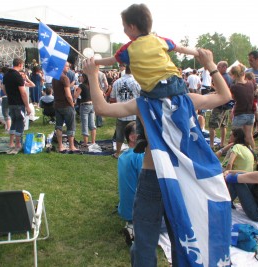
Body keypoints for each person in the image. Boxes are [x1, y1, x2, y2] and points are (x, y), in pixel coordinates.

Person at [83, 47, 232, 267]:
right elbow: (225, 96)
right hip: (183, 176)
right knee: (183, 235)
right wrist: (209, 64)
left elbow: (102, 108)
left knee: (145, 241)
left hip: (154, 176)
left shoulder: (144, 105)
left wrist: (92, 76)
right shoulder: (187, 100)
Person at [94, 4, 198, 153]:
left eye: (124, 27)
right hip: (176, 82)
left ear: (132, 27)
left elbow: (111, 60)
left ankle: (141, 136)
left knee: (141, 105)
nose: (123, 30)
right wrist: (198, 53)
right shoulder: (160, 40)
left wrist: (95, 62)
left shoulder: (129, 48)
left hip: (154, 88)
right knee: (183, 103)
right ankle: (187, 126)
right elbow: (180, 48)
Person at [117, 121, 144, 246]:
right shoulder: (139, 156)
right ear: (132, 137)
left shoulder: (123, 156)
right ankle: (133, 228)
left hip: (124, 208)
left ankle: (131, 226)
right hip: (137, 209)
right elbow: (146, 183)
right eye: (142, 133)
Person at [224, 150, 258, 222]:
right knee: (243, 178)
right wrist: (229, 171)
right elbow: (248, 174)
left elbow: (231, 178)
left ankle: (224, 204)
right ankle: (226, 202)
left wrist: (225, 175)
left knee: (236, 181)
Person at [110, 65, 141, 158]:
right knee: (135, 133)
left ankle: (118, 153)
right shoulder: (137, 82)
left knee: (119, 134)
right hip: (133, 112)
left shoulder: (117, 82)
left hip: (121, 112)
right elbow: (141, 97)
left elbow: (112, 97)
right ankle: (136, 152)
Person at [2, 58, 31, 154]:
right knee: (20, 123)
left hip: (11, 102)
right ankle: (18, 143)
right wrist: (27, 106)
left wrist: (9, 96)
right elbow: (23, 92)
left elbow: (4, 88)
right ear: (19, 64)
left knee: (14, 122)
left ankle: (11, 142)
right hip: (19, 103)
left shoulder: (6, 75)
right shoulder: (17, 76)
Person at [52, 62, 77, 152]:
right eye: (67, 66)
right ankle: (71, 146)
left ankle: (60, 146)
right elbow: (68, 95)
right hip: (66, 105)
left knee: (58, 126)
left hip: (57, 105)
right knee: (71, 126)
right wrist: (72, 104)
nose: (68, 68)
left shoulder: (54, 77)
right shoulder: (65, 78)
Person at [229, 64, 255, 149]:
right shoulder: (251, 84)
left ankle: (229, 153)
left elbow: (231, 98)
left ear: (234, 75)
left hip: (240, 113)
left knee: (234, 136)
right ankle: (253, 154)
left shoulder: (234, 87)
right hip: (251, 113)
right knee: (249, 136)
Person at [209, 61, 233, 150]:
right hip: (228, 104)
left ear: (224, 67)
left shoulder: (222, 78)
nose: (217, 68)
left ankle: (211, 145)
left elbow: (220, 91)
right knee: (223, 125)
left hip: (220, 105)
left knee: (212, 125)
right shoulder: (229, 77)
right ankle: (222, 144)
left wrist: (213, 92)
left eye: (219, 67)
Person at [73, 73, 98, 147]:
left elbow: (76, 96)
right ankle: (93, 142)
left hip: (84, 105)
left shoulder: (81, 85)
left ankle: (85, 142)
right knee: (92, 124)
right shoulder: (91, 85)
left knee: (85, 124)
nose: (80, 78)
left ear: (84, 78)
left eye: (81, 77)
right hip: (92, 104)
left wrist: (75, 89)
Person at [245, 71, 258, 149]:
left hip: (252, 105)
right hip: (252, 105)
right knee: (250, 129)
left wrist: (255, 95)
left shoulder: (254, 85)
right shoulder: (254, 85)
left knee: (257, 116)